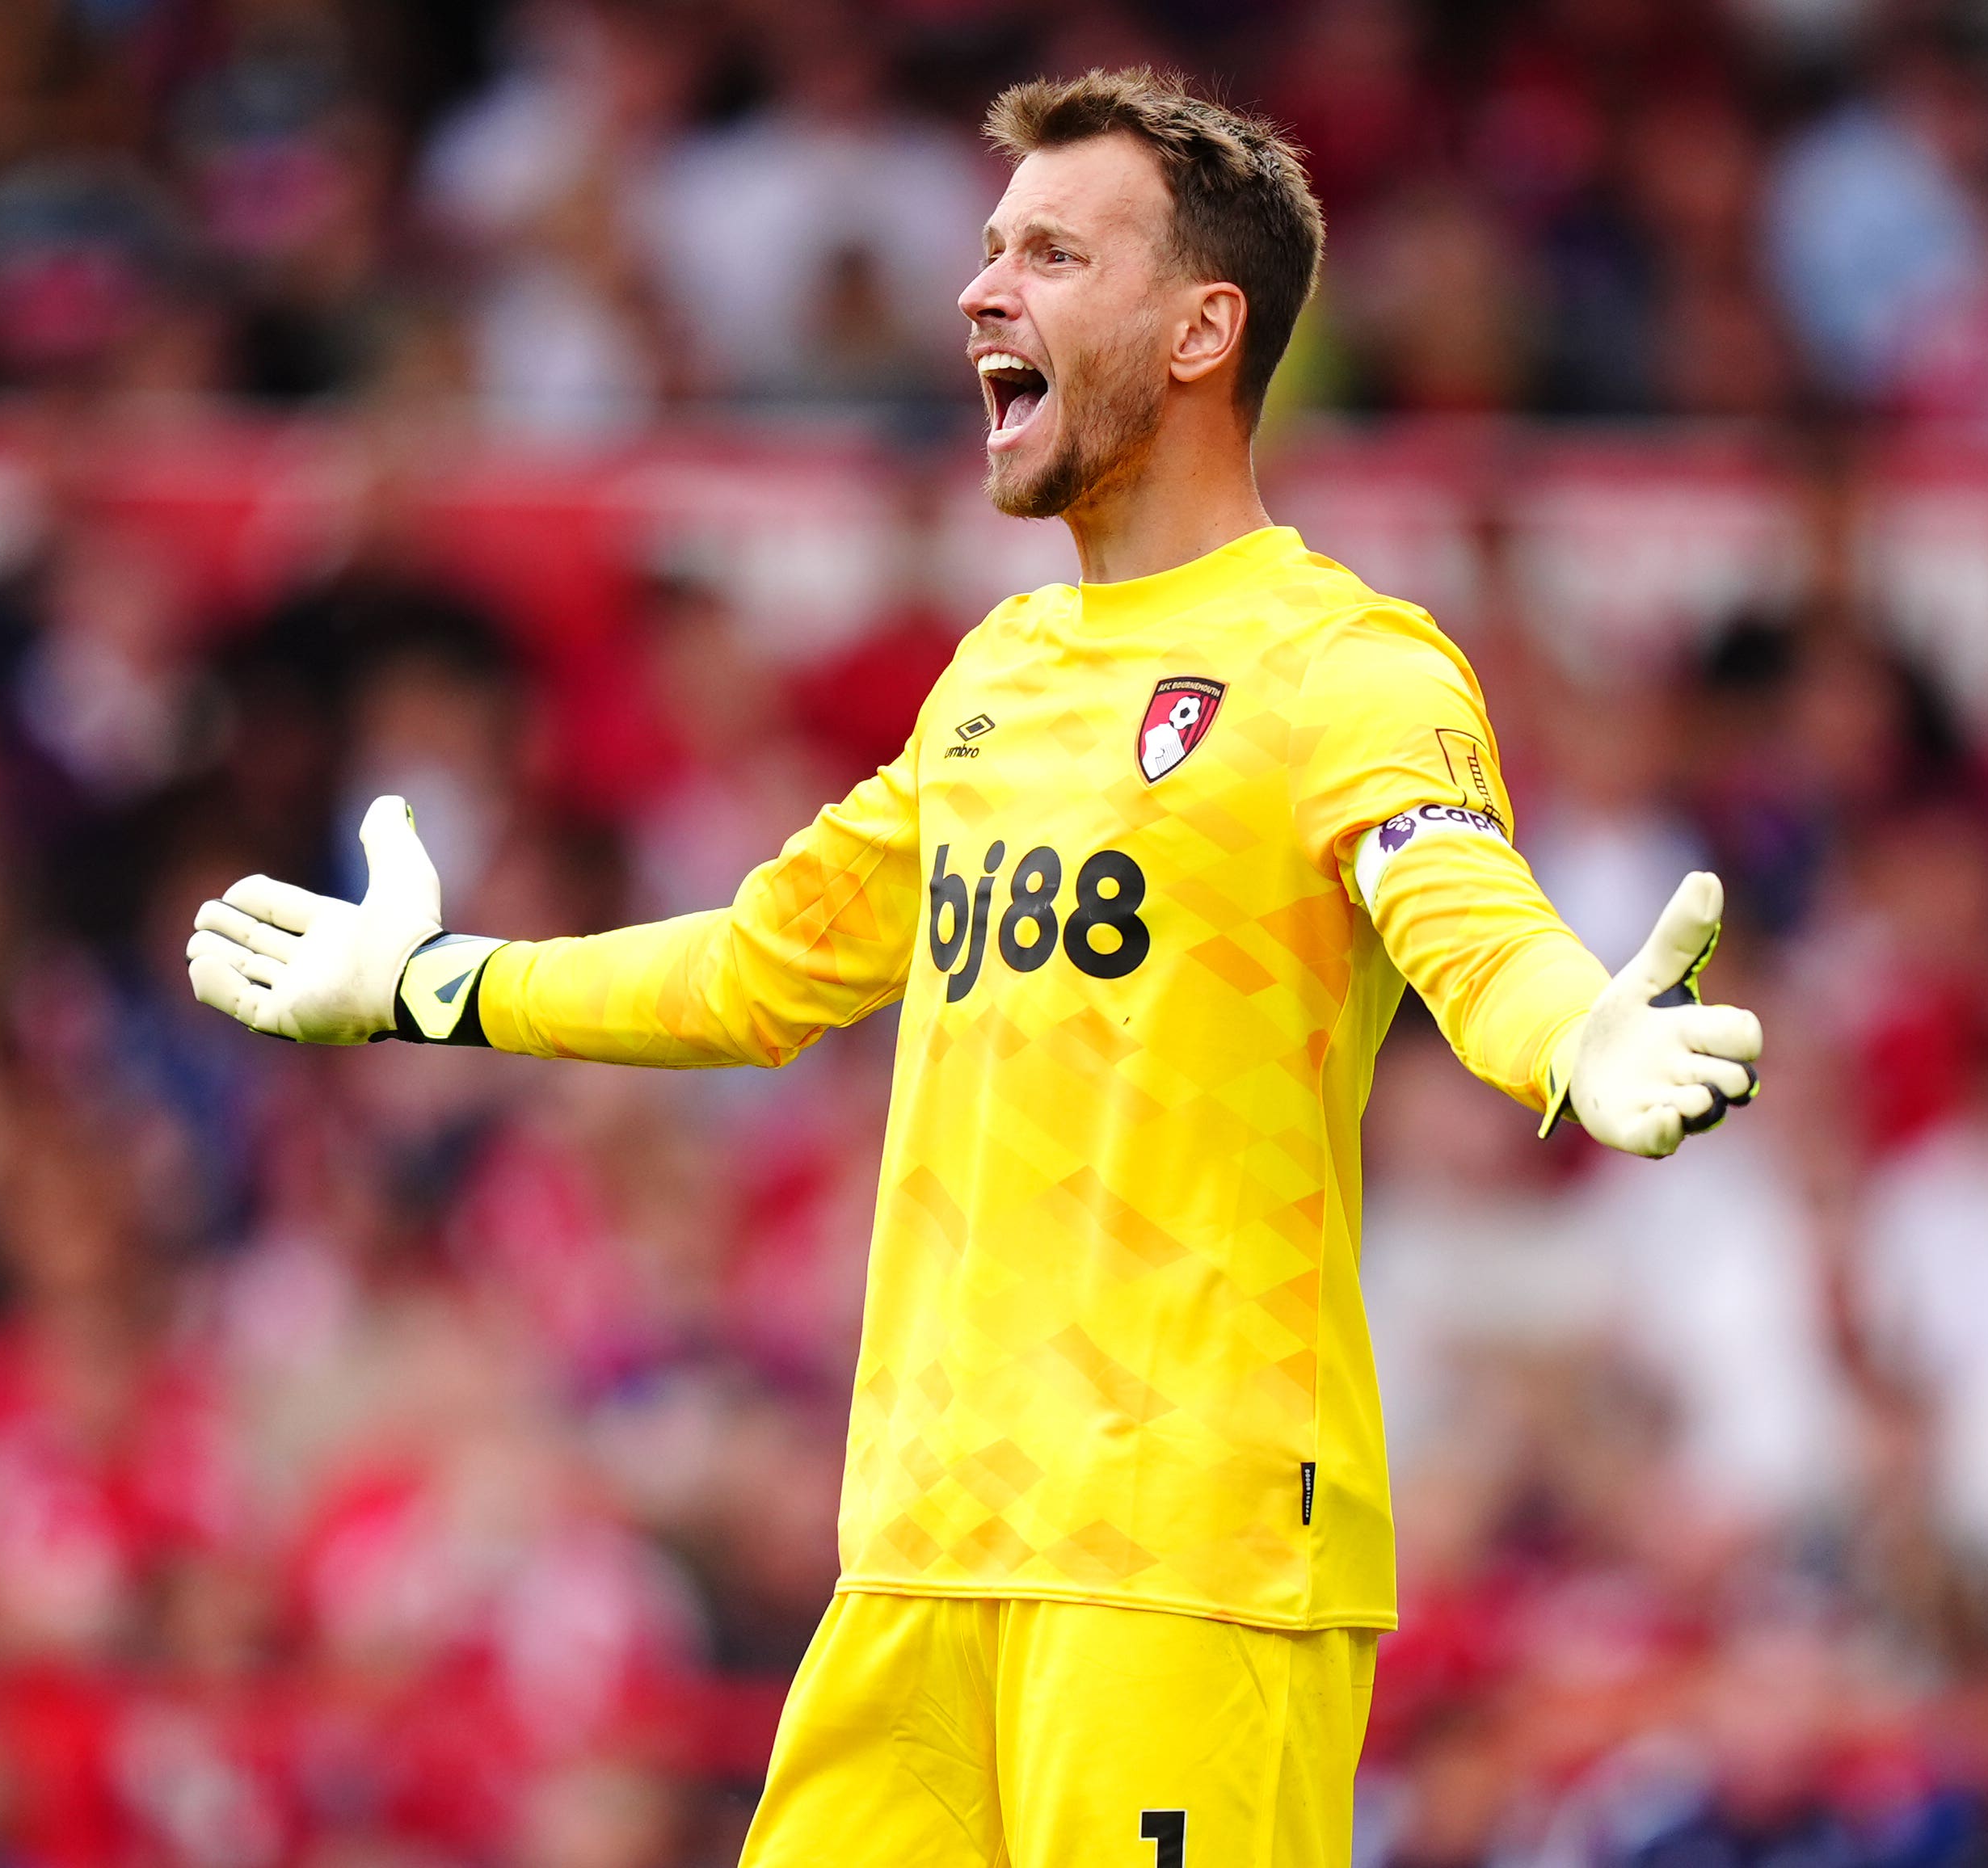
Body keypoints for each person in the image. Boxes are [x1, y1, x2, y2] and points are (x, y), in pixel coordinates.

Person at [184, 67, 1762, 1868]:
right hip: (923, 1552)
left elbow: (1457, 902)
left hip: (1185, 1563)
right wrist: (440, 984)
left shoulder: (1349, 668)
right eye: (991, 246)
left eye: (1052, 252)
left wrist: (1574, 1038)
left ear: (1200, 328)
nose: (979, 289)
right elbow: (764, 966)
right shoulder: (998, 675)